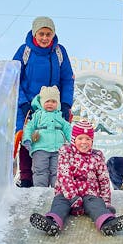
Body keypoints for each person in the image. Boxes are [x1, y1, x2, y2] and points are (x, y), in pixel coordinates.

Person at [30, 120, 123, 237]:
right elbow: (64, 175)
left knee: (96, 204)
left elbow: (103, 180)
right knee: (59, 203)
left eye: (88, 139)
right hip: (67, 194)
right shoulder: (66, 153)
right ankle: (52, 222)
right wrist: (73, 197)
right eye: (80, 138)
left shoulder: (96, 156)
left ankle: (107, 223)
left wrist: (106, 203)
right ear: (73, 140)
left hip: (89, 194)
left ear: (92, 141)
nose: (84, 142)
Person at [13, 16, 74, 188]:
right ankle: (26, 178)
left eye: (48, 34)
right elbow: (14, 78)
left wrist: (66, 104)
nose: (45, 38)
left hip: (53, 104)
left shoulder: (59, 52)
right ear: (35, 33)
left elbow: (67, 79)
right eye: (41, 34)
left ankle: (55, 180)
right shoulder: (25, 51)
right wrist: (23, 103)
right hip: (28, 104)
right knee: (28, 136)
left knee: (54, 138)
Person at [22, 85, 72, 187]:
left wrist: (74, 142)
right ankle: (40, 191)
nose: (50, 104)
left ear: (57, 103)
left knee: (57, 171)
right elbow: (29, 127)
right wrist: (27, 139)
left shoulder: (59, 116)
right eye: (47, 101)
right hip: (40, 147)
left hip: (57, 149)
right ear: (41, 102)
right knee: (40, 170)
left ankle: (57, 191)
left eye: (53, 102)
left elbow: (68, 129)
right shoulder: (37, 115)